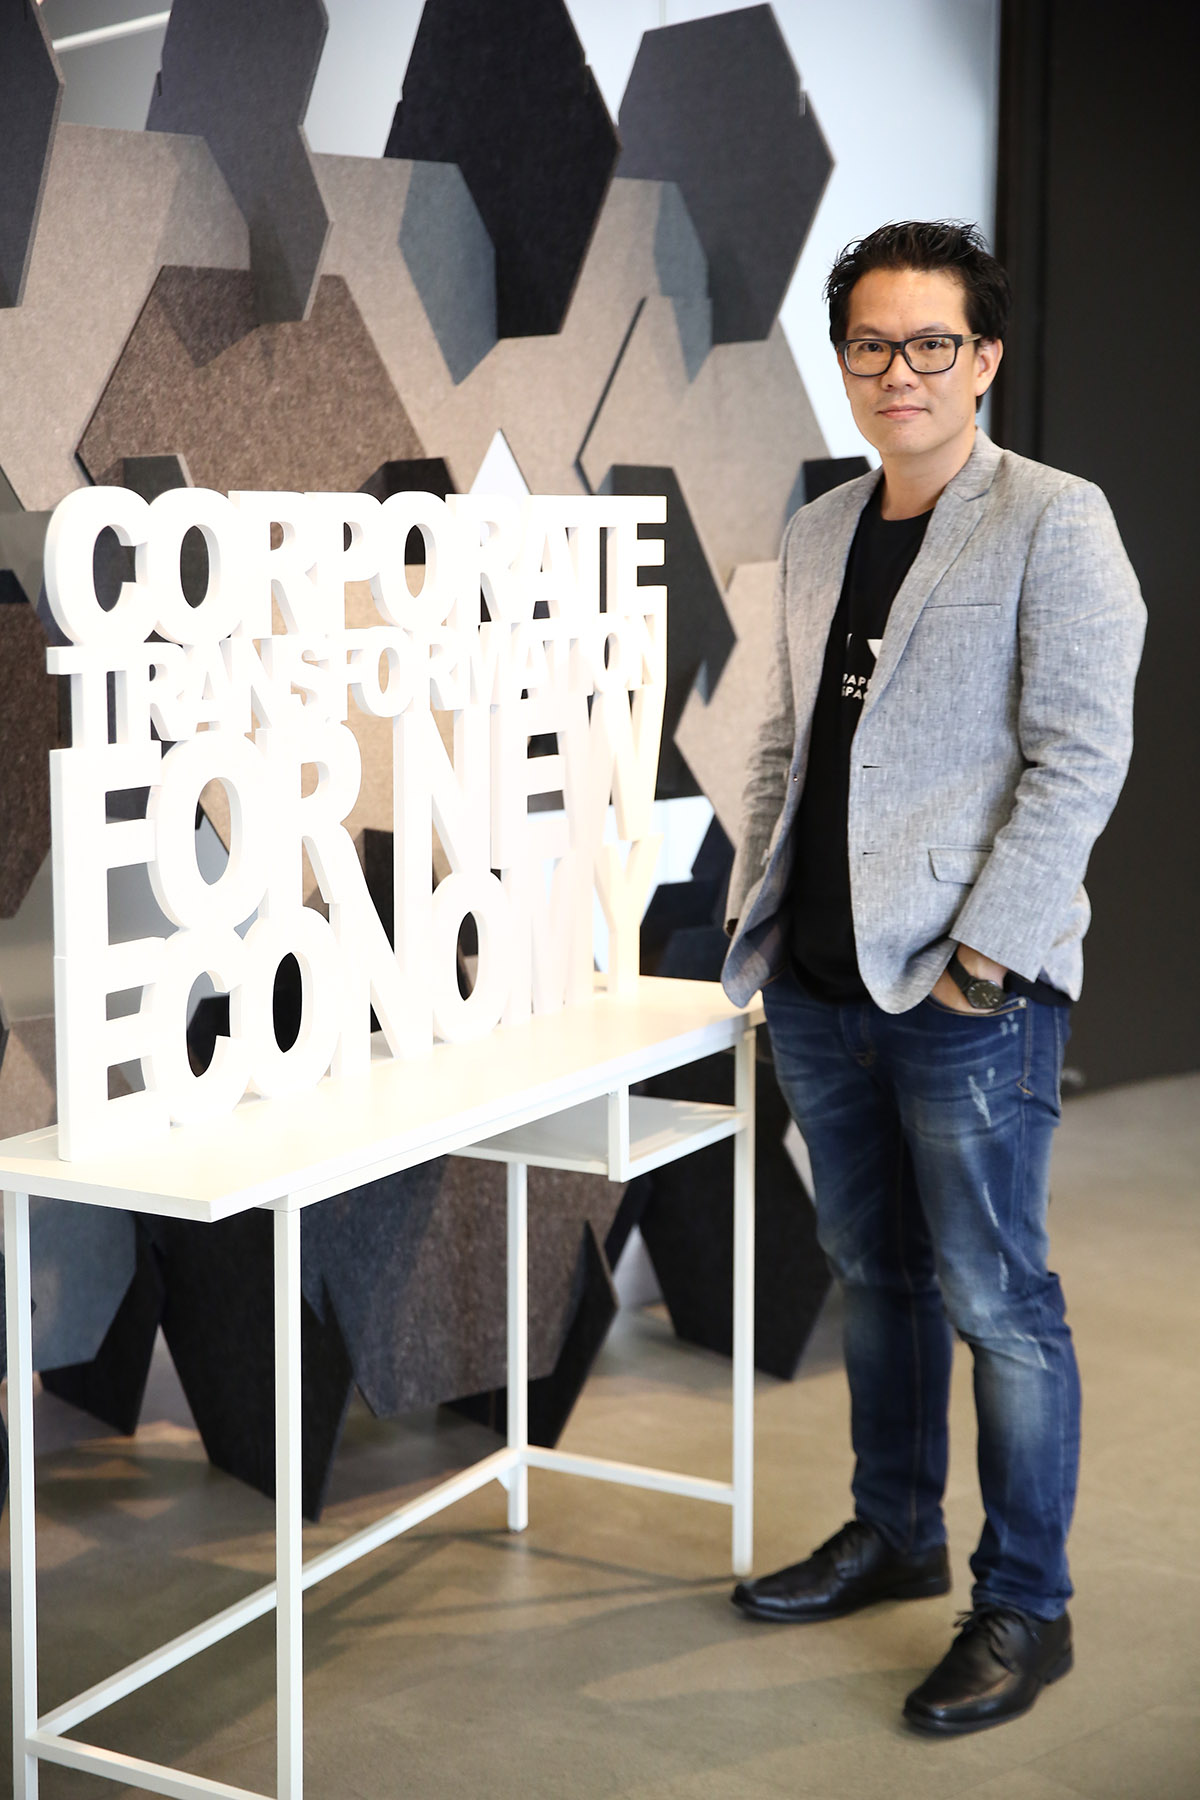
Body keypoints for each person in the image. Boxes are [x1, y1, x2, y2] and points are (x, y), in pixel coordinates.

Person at [720, 220, 1145, 1735]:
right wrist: (759, 924)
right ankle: (894, 1533)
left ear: (984, 359)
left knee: (998, 1300)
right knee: (873, 1278)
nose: (898, 370)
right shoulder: (822, 528)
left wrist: (982, 957)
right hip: (821, 991)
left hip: (969, 1000)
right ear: (843, 361)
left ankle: (1026, 1604)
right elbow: (786, 744)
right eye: (870, 344)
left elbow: (1080, 755)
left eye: (931, 343)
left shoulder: (1054, 519)